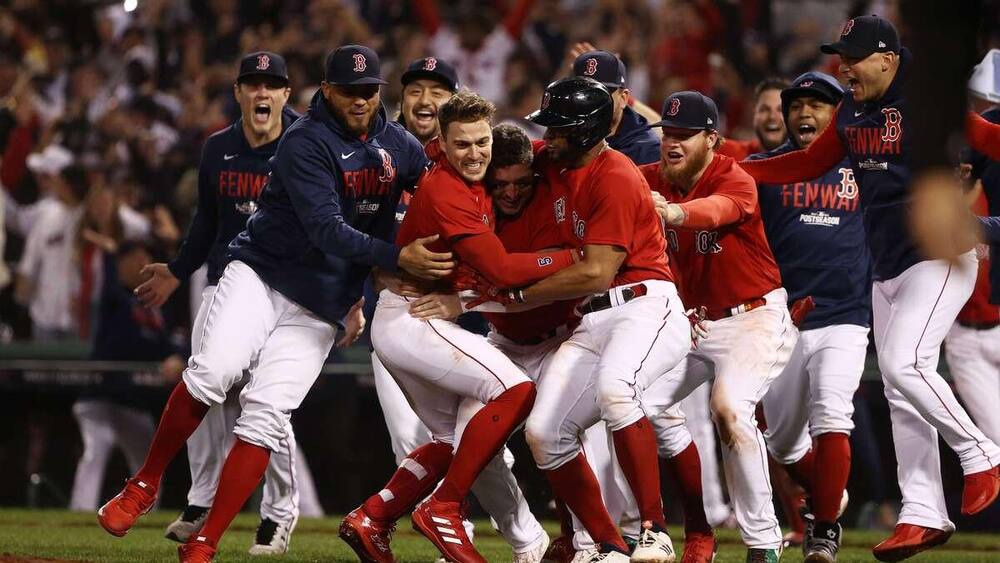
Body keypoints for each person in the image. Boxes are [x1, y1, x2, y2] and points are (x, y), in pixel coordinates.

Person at [97, 44, 454, 562]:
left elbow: (436, 194)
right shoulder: (304, 140)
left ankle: (206, 542)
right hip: (263, 276)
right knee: (213, 373)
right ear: (326, 91)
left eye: (368, 92)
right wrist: (400, 258)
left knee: (264, 416)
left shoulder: (400, 146)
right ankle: (145, 484)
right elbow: (326, 230)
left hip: (321, 305)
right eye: (349, 92)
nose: (359, 101)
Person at [738, 16, 1000, 561]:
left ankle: (981, 456)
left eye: (854, 58)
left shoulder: (926, 99)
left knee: (904, 365)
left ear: (889, 58)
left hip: (938, 254)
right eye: (841, 56)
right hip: (888, 268)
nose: (844, 67)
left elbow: (990, 139)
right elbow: (808, 164)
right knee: (902, 396)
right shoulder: (852, 110)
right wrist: (741, 170)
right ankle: (923, 513)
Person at [341, 90, 578, 563]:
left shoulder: (469, 165)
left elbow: (528, 152)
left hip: (407, 315)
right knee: (516, 390)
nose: (475, 154)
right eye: (463, 145)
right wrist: (575, 256)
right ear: (444, 147)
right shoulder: (448, 189)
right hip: (413, 316)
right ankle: (444, 510)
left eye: (481, 142)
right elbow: (505, 271)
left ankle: (373, 516)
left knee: (454, 440)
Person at [492, 76, 691, 563]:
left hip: (646, 302)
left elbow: (596, 271)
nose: (548, 137)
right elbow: (505, 154)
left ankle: (654, 530)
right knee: (545, 433)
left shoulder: (616, 175)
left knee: (618, 390)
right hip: (593, 320)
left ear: (583, 131)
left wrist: (519, 294)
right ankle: (608, 545)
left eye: (557, 129)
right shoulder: (556, 162)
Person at [132, 50, 319, 556]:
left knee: (264, 404)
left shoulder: (308, 143)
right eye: (252, 84)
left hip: (286, 287)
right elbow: (206, 224)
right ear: (238, 92)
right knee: (203, 383)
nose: (262, 93)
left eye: (272, 85)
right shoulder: (217, 148)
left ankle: (279, 512)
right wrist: (177, 270)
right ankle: (200, 500)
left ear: (285, 93)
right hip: (225, 280)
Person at [644, 90, 795, 562]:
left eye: (685, 136)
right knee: (636, 400)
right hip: (694, 322)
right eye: (668, 134)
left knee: (730, 408)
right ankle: (696, 523)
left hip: (752, 316)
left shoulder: (735, 175)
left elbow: (720, 210)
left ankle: (764, 543)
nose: (673, 143)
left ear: (712, 139)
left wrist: (674, 213)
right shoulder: (652, 177)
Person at [750, 72, 868, 562]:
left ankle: (824, 529)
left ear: (839, 113)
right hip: (782, 320)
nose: (803, 113)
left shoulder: (865, 165)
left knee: (832, 414)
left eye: (818, 105)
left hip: (845, 313)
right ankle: (826, 491)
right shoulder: (766, 169)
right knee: (781, 442)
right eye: (796, 105)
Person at [70, 241, 185, 511]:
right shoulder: (115, 296)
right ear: (119, 266)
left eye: (145, 258)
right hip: (100, 395)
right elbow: (130, 338)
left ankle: (142, 516)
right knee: (98, 446)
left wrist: (177, 356)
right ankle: (80, 513)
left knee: (149, 461)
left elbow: (169, 343)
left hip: (133, 400)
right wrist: (111, 252)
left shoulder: (159, 307)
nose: (141, 264)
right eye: (134, 259)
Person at [718, 78, 789, 160]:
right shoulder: (728, 154)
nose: (772, 116)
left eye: (780, 110)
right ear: (754, 113)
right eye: (764, 109)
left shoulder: (804, 160)